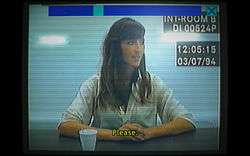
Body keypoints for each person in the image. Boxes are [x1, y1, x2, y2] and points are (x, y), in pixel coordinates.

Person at [57, 17, 196, 141]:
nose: (138, 49)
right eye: (131, 42)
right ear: (115, 47)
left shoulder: (152, 83)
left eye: (141, 42)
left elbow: (186, 120)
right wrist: (116, 134)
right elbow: (66, 125)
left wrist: (148, 133)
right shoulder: (95, 84)